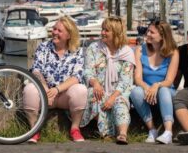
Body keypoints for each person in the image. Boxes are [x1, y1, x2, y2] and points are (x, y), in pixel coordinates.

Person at [23, 16, 87, 143]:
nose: (55, 33)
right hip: (45, 94)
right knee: (29, 89)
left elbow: (76, 77)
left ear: (69, 35)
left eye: (59, 31)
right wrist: (45, 90)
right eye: (54, 29)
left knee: (81, 90)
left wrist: (57, 90)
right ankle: (34, 129)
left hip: (64, 95)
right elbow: (36, 70)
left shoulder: (77, 51)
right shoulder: (43, 47)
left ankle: (75, 129)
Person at [80, 16, 135, 145]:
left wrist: (113, 97)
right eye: (102, 29)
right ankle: (106, 133)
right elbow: (87, 71)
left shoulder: (127, 52)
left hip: (119, 91)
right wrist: (95, 83)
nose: (102, 33)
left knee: (119, 102)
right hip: (99, 87)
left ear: (116, 33)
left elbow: (125, 80)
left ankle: (122, 134)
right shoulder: (94, 48)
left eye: (106, 30)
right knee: (96, 97)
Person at [129, 20, 179, 144]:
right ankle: (152, 129)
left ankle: (168, 131)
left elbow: (169, 80)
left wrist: (156, 85)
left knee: (163, 90)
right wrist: (147, 88)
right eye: (148, 31)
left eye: (152, 32)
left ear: (162, 36)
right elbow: (138, 78)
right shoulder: (140, 50)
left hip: (166, 91)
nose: (148, 34)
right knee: (135, 91)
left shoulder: (173, 52)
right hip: (147, 91)